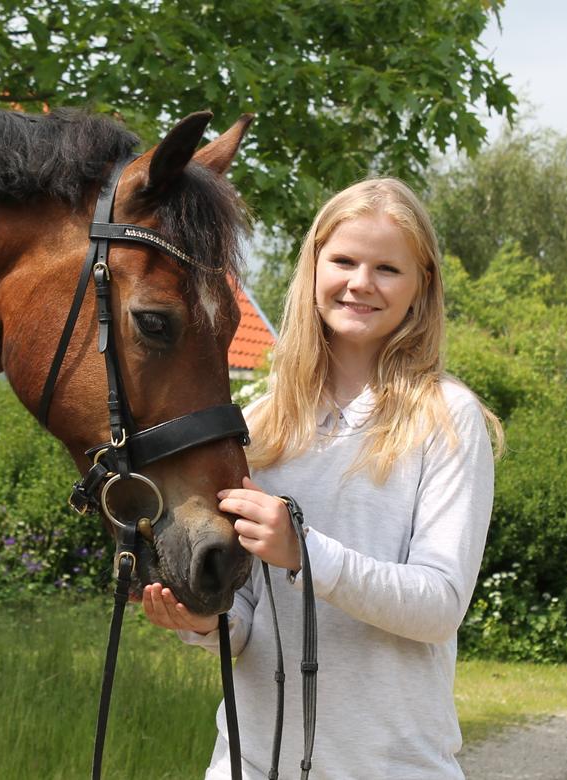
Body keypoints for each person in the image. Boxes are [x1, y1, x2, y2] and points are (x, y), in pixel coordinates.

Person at [142, 177, 503, 779]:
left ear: (422, 287)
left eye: (388, 268)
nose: (361, 283)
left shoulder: (448, 418)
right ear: (313, 268)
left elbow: (439, 606)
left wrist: (304, 553)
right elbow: (249, 619)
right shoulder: (259, 422)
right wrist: (205, 620)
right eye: (343, 261)